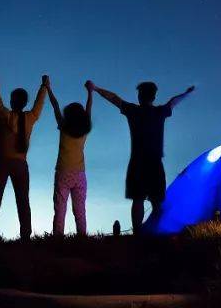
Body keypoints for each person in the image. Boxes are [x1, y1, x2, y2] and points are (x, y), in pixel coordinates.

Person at [91, 80, 195, 233]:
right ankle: (154, 232)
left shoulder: (133, 111)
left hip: (138, 163)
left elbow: (114, 98)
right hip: (154, 163)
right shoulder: (159, 112)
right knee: (157, 202)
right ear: (153, 96)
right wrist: (186, 93)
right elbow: (173, 102)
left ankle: (139, 234)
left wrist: (96, 88)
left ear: (139, 96)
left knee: (138, 200)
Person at [0, 65, 48, 240]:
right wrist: (44, 87)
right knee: (23, 202)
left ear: (12, 101)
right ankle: (25, 237)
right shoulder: (30, 117)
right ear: (24, 103)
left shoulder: (5, 115)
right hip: (20, 164)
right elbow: (39, 104)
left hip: (2, 162)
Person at [46, 79, 94, 236]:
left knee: (60, 210)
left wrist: (48, 88)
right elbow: (88, 110)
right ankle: (82, 239)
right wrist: (90, 92)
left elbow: (55, 105)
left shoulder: (63, 127)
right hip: (80, 174)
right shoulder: (84, 130)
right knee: (80, 211)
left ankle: (58, 239)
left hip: (63, 172)